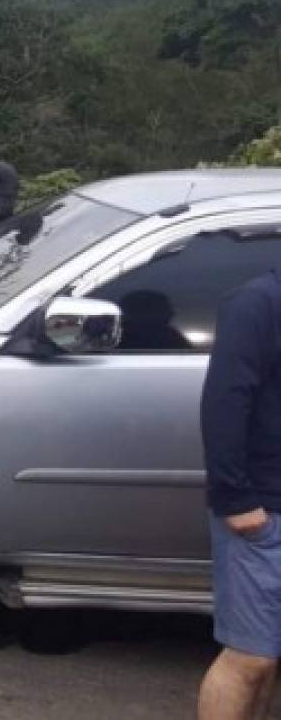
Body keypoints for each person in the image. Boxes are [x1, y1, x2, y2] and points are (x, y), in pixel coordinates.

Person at [199, 271, 281, 720]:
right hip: (264, 508)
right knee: (250, 658)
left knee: (272, 657)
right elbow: (224, 402)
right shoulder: (258, 302)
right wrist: (235, 499)